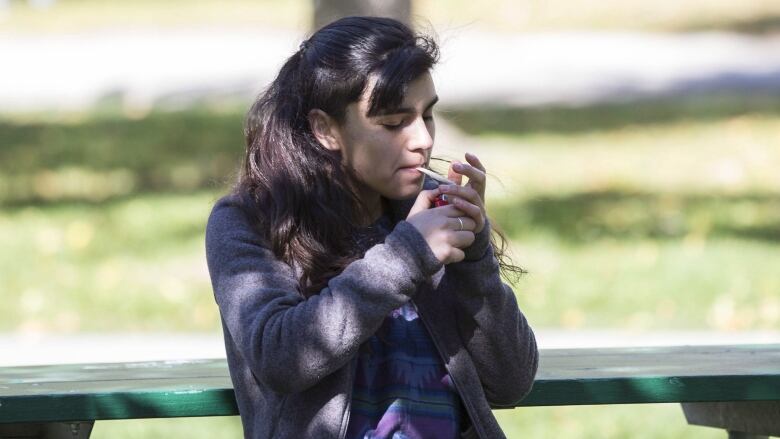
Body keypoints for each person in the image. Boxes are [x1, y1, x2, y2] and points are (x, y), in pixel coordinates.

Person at [205, 16, 538, 439]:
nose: (422, 139)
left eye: (428, 115)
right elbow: (282, 356)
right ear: (324, 129)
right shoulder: (249, 221)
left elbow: (512, 381)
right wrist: (408, 255)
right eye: (394, 123)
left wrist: (475, 260)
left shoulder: (430, 210)